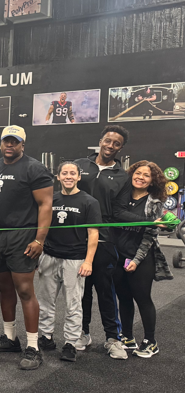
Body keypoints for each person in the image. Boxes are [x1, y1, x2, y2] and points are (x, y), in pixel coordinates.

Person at [0, 125, 53, 370]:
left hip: (22, 235)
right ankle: (10, 338)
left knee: (25, 290)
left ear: (22, 144)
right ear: (1, 143)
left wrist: (39, 239)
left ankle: (33, 347)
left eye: (15, 141)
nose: (10, 145)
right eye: (6, 141)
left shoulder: (34, 168)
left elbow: (45, 205)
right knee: (4, 288)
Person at [74, 125, 139, 359]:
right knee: (81, 290)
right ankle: (82, 332)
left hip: (104, 239)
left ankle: (113, 338)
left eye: (116, 144)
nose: (111, 146)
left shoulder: (123, 177)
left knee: (105, 290)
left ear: (121, 148)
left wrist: (150, 221)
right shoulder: (79, 165)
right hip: (76, 238)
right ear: (101, 140)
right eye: (108, 141)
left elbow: (119, 210)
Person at [36, 161, 101, 362]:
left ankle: (70, 343)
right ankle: (46, 337)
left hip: (75, 259)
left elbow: (93, 234)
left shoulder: (89, 202)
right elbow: (41, 226)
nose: (69, 176)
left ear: (79, 177)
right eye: (64, 173)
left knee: (73, 304)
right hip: (49, 256)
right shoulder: (51, 199)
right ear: (58, 177)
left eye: (73, 173)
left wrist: (88, 261)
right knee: (45, 301)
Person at [112, 161, 173, 358]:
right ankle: (127, 337)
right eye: (138, 173)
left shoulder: (154, 201)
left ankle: (150, 341)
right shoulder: (122, 197)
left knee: (143, 298)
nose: (141, 177)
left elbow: (150, 235)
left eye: (146, 175)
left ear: (152, 181)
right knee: (124, 298)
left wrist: (136, 260)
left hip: (141, 257)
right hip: (119, 256)